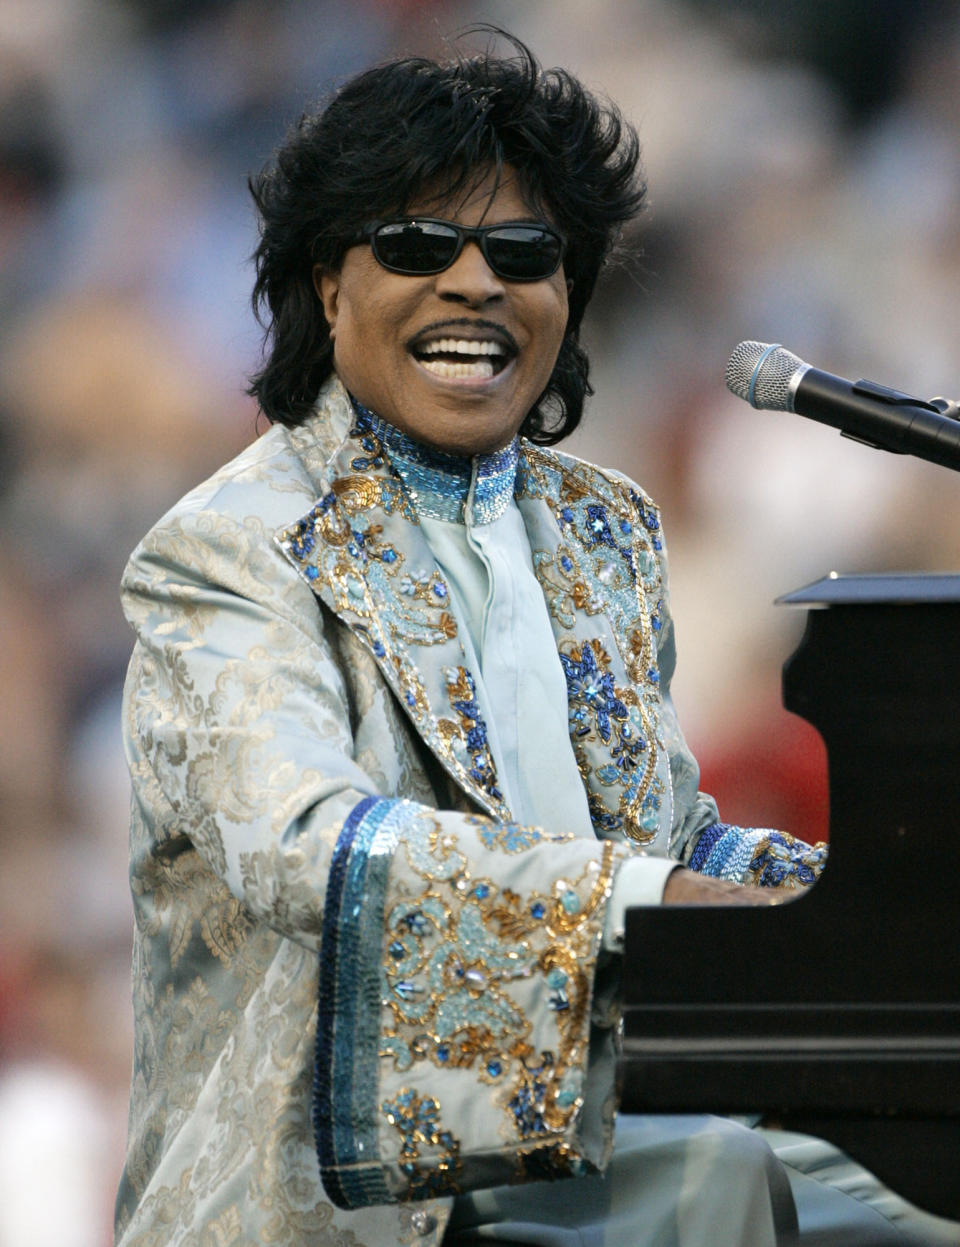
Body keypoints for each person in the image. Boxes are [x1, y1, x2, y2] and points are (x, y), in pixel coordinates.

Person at [114, 32, 959, 1247]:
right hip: (359, 1191)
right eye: (417, 245)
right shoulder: (234, 548)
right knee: (725, 1177)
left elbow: (675, 838)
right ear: (325, 284)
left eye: (524, 253)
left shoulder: (600, 528)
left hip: (608, 1120)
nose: (477, 282)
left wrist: (890, 903)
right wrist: (655, 890)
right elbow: (305, 843)